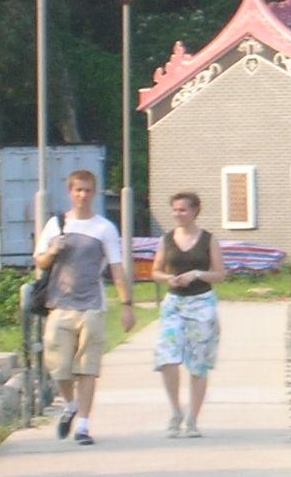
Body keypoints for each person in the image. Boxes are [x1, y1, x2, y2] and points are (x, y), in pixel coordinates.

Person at [34, 170, 135, 446]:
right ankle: (71, 404)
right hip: (59, 304)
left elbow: (116, 268)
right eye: (78, 190)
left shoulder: (104, 228)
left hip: (91, 305)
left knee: (87, 368)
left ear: (94, 193)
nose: (83, 195)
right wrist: (53, 250)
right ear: (70, 192)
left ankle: (84, 426)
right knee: (58, 366)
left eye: (88, 190)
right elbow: (40, 262)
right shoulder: (56, 225)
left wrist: (127, 305)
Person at [151, 191, 225, 437]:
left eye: (183, 210)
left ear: (194, 211)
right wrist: (169, 278)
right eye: (175, 210)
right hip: (175, 303)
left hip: (201, 303)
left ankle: (193, 418)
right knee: (167, 357)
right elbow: (155, 271)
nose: (178, 214)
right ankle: (175, 410)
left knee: (198, 363)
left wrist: (196, 274)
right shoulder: (166, 239)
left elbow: (220, 274)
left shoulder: (208, 240)